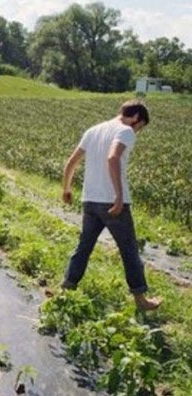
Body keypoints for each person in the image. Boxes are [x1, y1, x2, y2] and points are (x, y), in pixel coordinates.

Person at [61, 99, 161, 311]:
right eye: (140, 126)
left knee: (84, 247)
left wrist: (66, 189)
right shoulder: (126, 131)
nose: (138, 130)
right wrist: (118, 196)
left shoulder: (94, 130)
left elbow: (72, 161)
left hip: (89, 199)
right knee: (129, 250)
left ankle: (66, 289)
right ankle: (141, 299)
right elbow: (113, 158)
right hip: (112, 202)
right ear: (135, 118)